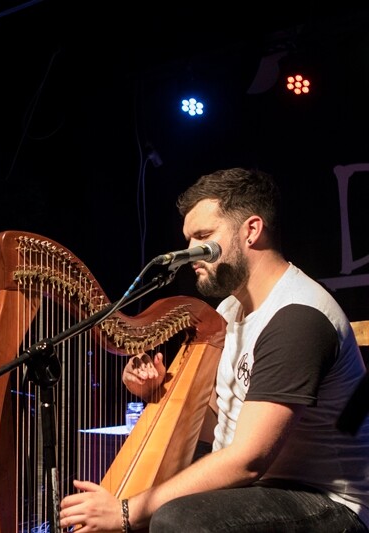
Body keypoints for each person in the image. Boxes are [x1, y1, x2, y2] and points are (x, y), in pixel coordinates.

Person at [59, 167, 369, 532]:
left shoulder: (297, 317)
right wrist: (157, 391)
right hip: (262, 490)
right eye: (188, 241)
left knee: (176, 518)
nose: (191, 254)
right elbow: (217, 428)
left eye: (203, 237)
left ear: (251, 231)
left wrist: (125, 511)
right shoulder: (231, 310)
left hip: (326, 502)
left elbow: (247, 459)